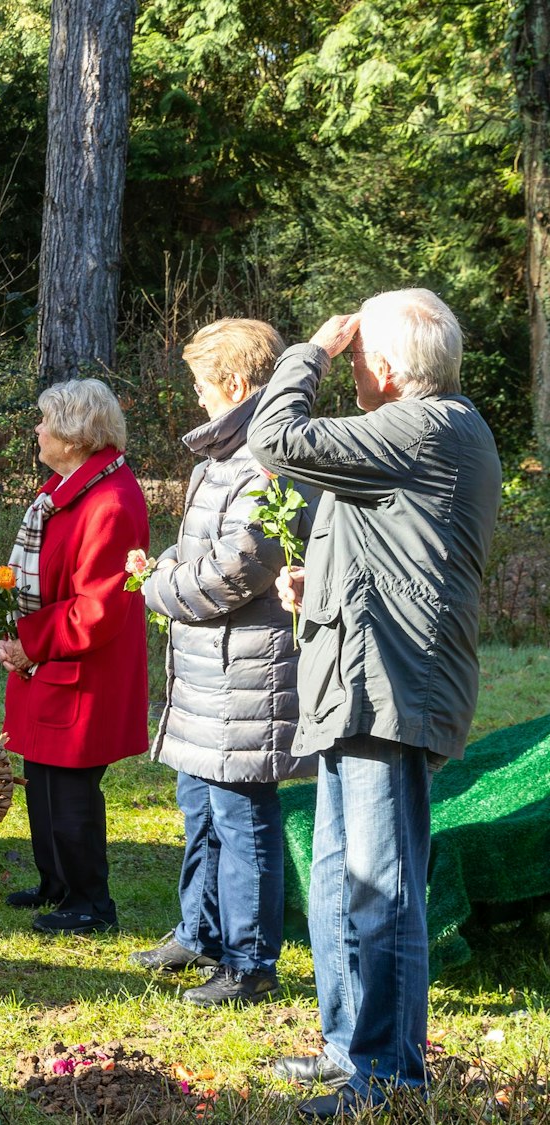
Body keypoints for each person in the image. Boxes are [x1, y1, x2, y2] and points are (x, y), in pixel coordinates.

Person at [246, 291, 501, 1117]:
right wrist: (314, 580)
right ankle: (348, 1046)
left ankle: (390, 1075)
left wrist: (310, 352)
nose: (349, 366)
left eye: (357, 357)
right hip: (361, 681)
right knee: (339, 874)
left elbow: (273, 436)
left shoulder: (421, 427)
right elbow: (393, 542)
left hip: (389, 684)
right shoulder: (427, 431)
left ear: (387, 368)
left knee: (380, 887)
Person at [130, 319, 316, 1005]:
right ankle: (200, 931)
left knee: (241, 815)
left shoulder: (266, 458)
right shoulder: (222, 455)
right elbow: (199, 550)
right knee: (200, 806)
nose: (198, 399)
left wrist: (159, 586)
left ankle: (249, 962)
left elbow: (238, 567)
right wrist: (169, 566)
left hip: (248, 673)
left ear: (236, 385)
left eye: (202, 386)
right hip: (209, 670)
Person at [0, 378, 150, 935]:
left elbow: (98, 610)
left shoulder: (108, 503)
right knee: (43, 781)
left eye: (45, 421)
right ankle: (56, 884)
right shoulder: (72, 489)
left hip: (84, 671)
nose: (37, 429)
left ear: (75, 435)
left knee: (70, 791)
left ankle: (91, 903)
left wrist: (29, 642)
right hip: (55, 662)